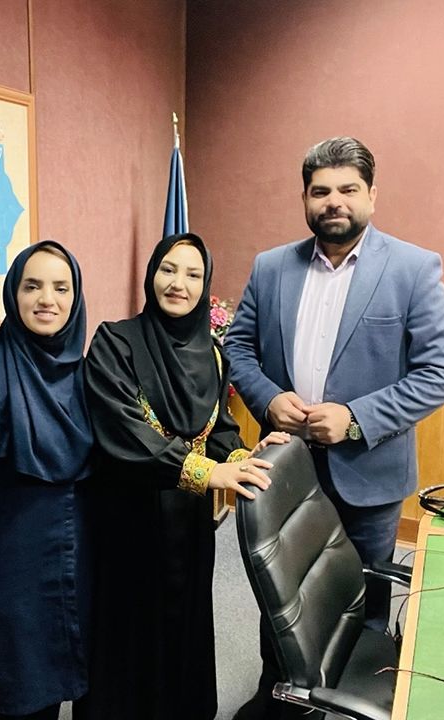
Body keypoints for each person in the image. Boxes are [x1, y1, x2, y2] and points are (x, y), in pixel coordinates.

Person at [223, 137, 444, 718]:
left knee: (362, 607)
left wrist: (356, 419)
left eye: (348, 189)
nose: (334, 201)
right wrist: (268, 399)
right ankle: (278, 700)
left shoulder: (412, 268)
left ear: (372, 194)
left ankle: (346, 708)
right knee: (282, 604)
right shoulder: (271, 267)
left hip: (368, 478)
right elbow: (238, 347)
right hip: (285, 469)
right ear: (305, 199)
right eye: (321, 190)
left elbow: (441, 373)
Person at [82, 232, 288, 720]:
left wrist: (243, 456)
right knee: (130, 626)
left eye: (193, 274)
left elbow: (219, 428)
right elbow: (125, 431)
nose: (179, 284)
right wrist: (207, 472)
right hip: (128, 516)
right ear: (151, 275)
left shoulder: (212, 353)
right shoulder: (115, 342)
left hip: (188, 524)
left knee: (183, 617)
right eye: (168, 270)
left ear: (205, 284)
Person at [0, 240, 93, 720]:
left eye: (61, 288)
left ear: (76, 297)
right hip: (12, 569)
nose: (47, 299)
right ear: (14, 294)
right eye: (32, 286)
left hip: (77, 559)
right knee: (17, 696)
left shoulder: (86, 374)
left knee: (63, 684)